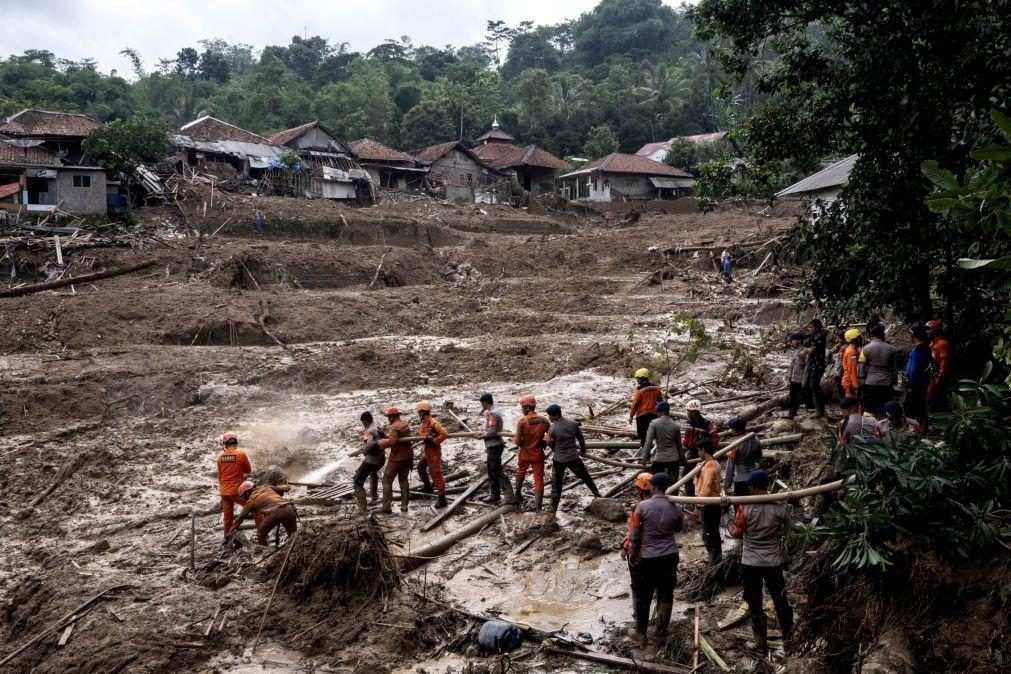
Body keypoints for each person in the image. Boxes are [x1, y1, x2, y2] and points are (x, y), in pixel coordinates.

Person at [732, 470, 794, 653]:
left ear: (752, 487)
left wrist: (727, 515)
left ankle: (760, 644)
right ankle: (789, 643)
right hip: (773, 562)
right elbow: (795, 526)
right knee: (780, 601)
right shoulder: (779, 505)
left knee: (755, 603)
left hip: (751, 563)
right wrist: (797, 506)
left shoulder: (745, 507)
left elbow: (737, 533)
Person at [627, 472, 684, 643]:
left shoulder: (642, 507)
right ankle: (661, 631)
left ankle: (640, 633)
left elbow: (635, 535)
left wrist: (632, 553)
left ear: (653, 486)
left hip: (649, 558)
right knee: (666, 593)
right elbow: (680, 529)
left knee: (644, 595)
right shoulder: (677, 507)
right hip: (669, 555)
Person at [546, 404, 600, 513]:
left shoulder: (552, 428)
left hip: (559, 460)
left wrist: (557, 450)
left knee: (556, 486)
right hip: (573, 457)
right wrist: (583, 450)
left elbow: (549, 443)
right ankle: (598, 495)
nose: (549, 418)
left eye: (550, 416)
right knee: (586, 477)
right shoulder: (573, 424)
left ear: (556, 415)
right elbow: (581, 438)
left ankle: (553, 511)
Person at [621, 472, 653, 637]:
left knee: (638, 589)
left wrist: (628, 549)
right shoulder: (662, 504)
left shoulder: (639, 508)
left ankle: (640, 627)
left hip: (640, 555)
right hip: (658, 555)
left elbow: (634, 534)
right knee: (652, 589)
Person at [474, 392, 514, 504]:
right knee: (491, 471)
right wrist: (483, 433)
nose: (481, 405)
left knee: (496, 471)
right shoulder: (493, 412)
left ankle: (510, 496)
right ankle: (495, 495)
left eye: (482, 403)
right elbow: (490, 429)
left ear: (485, 402)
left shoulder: (492, 413)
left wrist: (482, 436)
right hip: (493, 445)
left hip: (494, 445)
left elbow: (492, 431)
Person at [513, 395, 550, 511]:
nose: (522, 409)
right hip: (538, 454)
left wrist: (517, 440)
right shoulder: (544, 420)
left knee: (520, 473)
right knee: (539, 479)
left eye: (522, 407)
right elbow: (550, 438)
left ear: (527, 407)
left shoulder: (522, 421)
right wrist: (542, 442)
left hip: (525, 453)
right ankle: (538, 508)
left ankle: (517, 495)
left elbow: (518, 442)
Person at [233, 480, 298, 546]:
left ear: (247, 493)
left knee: (260, 534)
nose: (244, 499)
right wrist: (286, 486)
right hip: (289, 509)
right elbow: (285, 488)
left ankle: (264, 551)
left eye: (244, 496)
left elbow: (239, 518)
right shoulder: (266, 488)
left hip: (275, 513)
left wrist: (229, 533)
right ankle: (294, 549)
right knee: (293, 535)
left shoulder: (251, 501)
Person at [217, 433, 253, 540]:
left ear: (225, 444)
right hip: (237, 491)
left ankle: (226, 539)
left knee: (227, 519)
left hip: (224, 493)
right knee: (257, 510)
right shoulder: (241, 454)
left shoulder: (220, 458)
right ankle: (262, 538)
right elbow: (248, 470)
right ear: (236, 442)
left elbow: (220, 477)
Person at [378, 407, 413, 514]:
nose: (388, 419)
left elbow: (392, 441)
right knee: (403, 480)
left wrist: (381, 443)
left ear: (393, 417)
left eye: (389, 417)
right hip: (408, 457)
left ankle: (386, 506)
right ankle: (404, 506)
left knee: (386, 480)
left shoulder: (393, 427)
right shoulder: (405, 424)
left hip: (397, 458)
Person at [681, 400, 720, 497]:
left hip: (703, 452)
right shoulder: (689, 422)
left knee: (706, 476)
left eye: (689, 411)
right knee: (686, 475)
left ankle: (705, 496)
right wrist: (684, 449)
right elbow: (686, 437)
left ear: (694, 412)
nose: (688, 413)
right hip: (692, 451)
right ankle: (690, 497)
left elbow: (715, 437)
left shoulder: (706, 424)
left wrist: (710, 451)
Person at [416, 402, 450, 508]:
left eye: (419, 412)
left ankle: (442, 498)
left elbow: (444, 434)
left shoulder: (433, 422)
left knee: (436, 474)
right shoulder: (424, 422)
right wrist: (427, 436)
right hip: (428, 452)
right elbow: (421, 434)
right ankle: (428, 486)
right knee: (420, 466)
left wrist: (434, 440)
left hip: (434, 452)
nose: (419, 414)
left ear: (422, 412)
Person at [858, 323, 897, 416]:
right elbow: (894, 369)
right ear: (883, 335)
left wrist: (861, 381)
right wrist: (893, 381)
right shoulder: (892, 349)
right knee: (884, 409)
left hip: (870, 383)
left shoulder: (865, 349)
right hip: (886, 383)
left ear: (871, 335)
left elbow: (861, 366)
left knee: (869, 409)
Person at [638, 401, 684, 477]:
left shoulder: (654, 423)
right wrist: (684, 460)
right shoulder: (675, 425)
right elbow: (679, 445)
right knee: (673, 485)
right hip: (674, 460)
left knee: (658, 485)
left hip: (660, 459)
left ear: (661, 412)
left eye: (657, 412)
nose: (657, 414)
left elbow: (648, 442)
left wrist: (644, 458)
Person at [694, 444, 723, 563]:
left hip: (709, 504)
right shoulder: (708, 464)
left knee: (709, 535)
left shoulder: (710, 465)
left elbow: (706, 488)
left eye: (698, 451)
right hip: (711, 503)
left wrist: (698, 506)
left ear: (703, 450)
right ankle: (716, 561)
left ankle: (714, 563)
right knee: (712, 534)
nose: (698, 454)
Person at [353, 412, 386, 513]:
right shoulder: (377, 428)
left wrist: (364, 451)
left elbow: (370, 443)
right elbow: (385, 438)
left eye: (363, 422)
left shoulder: (369, 430)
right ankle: (374, 498)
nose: (363, 424)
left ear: (365, 421)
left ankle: (363, 509)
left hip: (371, 460)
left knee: (357, 481)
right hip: (380, 458)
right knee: (373, 474)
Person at [723, 417, 762, 499]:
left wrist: (727, 485)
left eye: (733, 429)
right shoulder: (756, 440)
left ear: (739, 431)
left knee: (740, 507)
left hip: (740, 480)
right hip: (754, 477)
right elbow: (759, 458)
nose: (731, 431)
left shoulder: (735, 445)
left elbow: (730, 467)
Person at [904, 325, 931, 424]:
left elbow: (915, 368)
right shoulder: (922, 348)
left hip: (917, 383)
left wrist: (911, 385)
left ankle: (918, 425)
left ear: (914, 336)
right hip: (920, 381)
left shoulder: (919, 350)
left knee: (914, 405)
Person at [628, 369, 664, 447]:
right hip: (654, 415)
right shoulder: (656, 388)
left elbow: (635, 404)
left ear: (641, 378)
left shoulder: (638, 390)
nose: (637, 380)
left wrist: (631, 416)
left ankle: (644, 454)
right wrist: (662, 414)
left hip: (642, 416)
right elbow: (661, 401)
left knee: (643, 437)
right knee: (653, 435)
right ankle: (652, 450)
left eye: (637, 378)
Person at [925, 320, 952, 411]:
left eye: (929, 330)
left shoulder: (942, 344)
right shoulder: (932, 343)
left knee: (933, 397)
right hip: (934, 373)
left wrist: (940, 376)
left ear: (936, 331)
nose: (926, 332)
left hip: (940, 376)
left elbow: (944, 361)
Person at [805, 319, 828, 417]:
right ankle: (818, 408)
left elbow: (810, 351)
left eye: (812, 327)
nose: (810, 329)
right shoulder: (813, 337)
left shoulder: (820, 338)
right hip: (813, 364)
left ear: (817, 328)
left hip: (817, 365)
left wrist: (805, 350)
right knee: (813, 386)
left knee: (814, 387)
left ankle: (819, 410)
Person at [787, 332, 810, 418]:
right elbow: (792, 365)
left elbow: (807, 367)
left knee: (805, 396)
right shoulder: (795, 351)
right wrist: (790, 375)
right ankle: (792, 413)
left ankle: (810, 411)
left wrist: (804, 380)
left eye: (793, 340)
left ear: (799, 341)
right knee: (793, 396)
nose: (792, 342)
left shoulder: (805, 351)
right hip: (794, 378)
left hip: (801, 379)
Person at [841, 328, 862, 401]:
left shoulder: (853, 350)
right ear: (853, 340)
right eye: (859, 337)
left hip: (850, 381)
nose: (861, 339)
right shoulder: (852, 353)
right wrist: (856, 386)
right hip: (850, 383)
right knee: (852, 405)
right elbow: (853, 369)